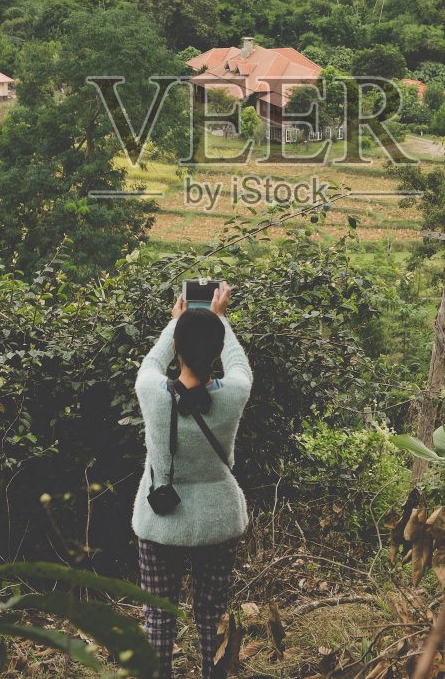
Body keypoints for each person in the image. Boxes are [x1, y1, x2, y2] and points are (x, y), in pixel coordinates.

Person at [132, 281, 251, 679]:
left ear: (178, 348)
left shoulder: (151, 391)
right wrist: (218, 319)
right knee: (212, 616)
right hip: (218, 523)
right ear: (216, 351)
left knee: (158, 618)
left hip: (159, 520)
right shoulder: (233, 395)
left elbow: (152, 362)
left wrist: (178, 323)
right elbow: (239, 366)